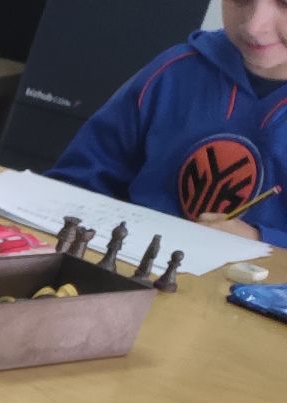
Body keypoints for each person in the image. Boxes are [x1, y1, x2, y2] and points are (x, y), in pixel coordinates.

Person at [51, 2, 287, 249]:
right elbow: (77, 180)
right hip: (130, 258)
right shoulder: (174, 70)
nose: (253, 26)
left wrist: (260, 240)